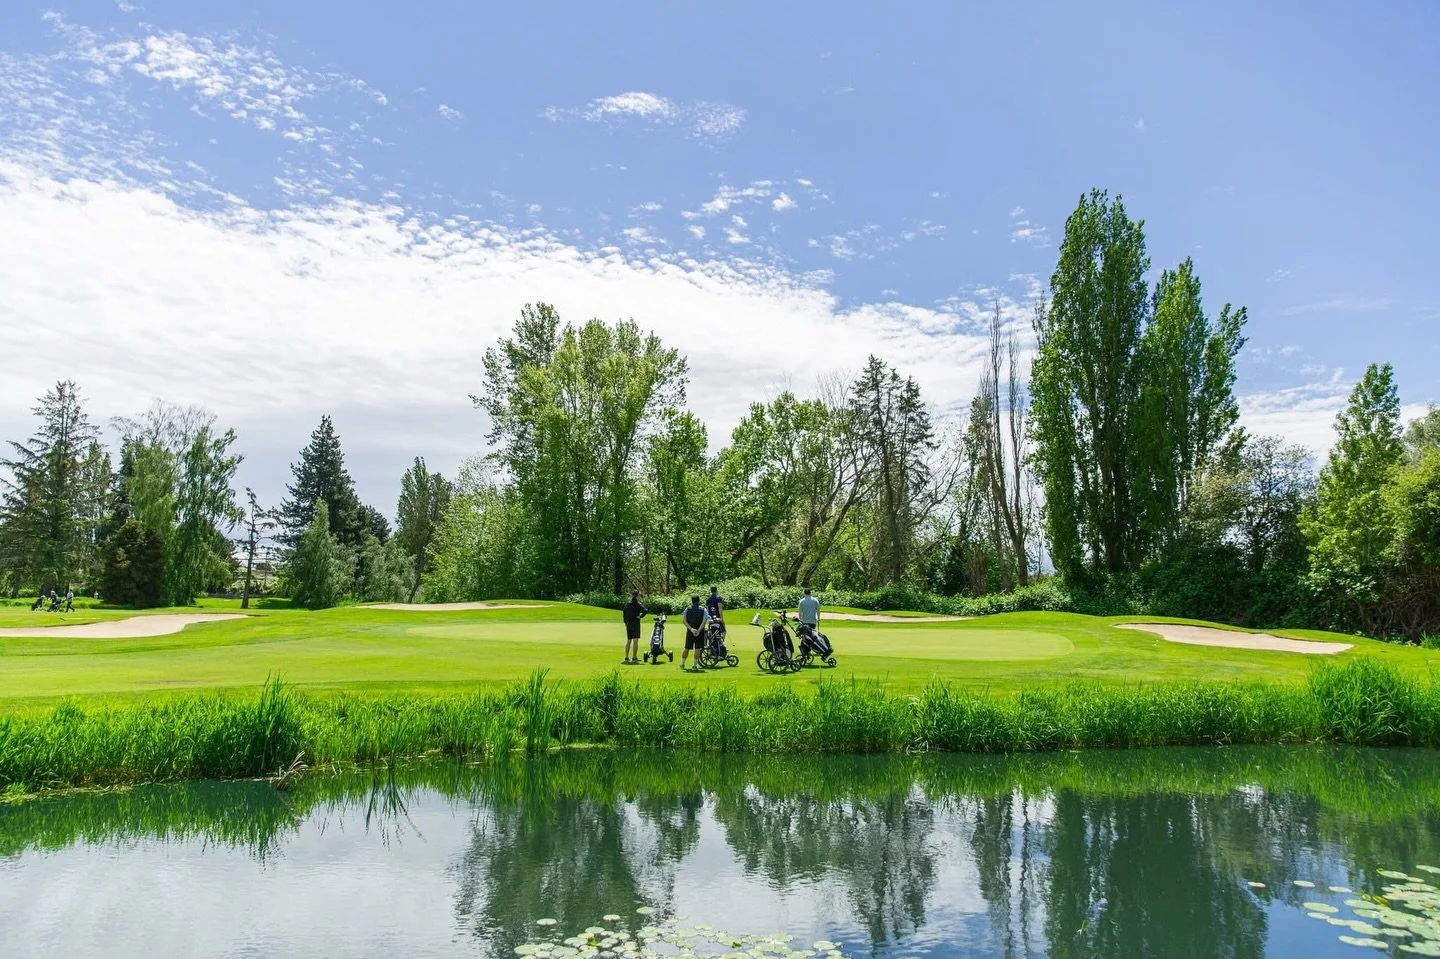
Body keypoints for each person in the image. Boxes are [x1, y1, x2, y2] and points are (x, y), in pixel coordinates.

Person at [681, 595, 709, 672]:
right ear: (698, 600)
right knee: (697, 648)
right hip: (700, 632)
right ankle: (694, 665)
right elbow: (704, 622)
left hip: (690, 631)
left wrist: (691, 629)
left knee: (686, 648)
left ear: (692, 600)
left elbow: (684, 621)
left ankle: (682, 664)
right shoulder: (704, 610)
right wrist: (699, 630)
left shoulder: (687, 609)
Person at [622, 591, 646, 664]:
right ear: (637, 596)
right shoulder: (638, 604)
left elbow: (624, 615)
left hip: (628, 624)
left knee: (629, 640)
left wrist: (626, 623)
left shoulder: (627, 604)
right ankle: (634, 657)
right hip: (635, 623)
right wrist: (640, 616)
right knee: (635, 641)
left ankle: (626, 657)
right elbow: (645, 610)